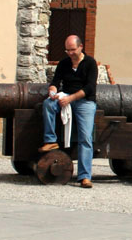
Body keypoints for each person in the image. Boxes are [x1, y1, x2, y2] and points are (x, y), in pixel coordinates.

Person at [40, 35, 98, 188]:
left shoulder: (90, 63)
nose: (70, 53)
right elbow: (55, 82)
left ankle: (85, 176)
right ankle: (50, 140)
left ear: (81, 47)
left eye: (73, 50)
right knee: (48, 104)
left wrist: (71, 98)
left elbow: (90, 88)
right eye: (67, 50)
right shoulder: (64, 64)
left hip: (84, 101)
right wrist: (52, 91)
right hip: (66, 98)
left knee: (85, 138)